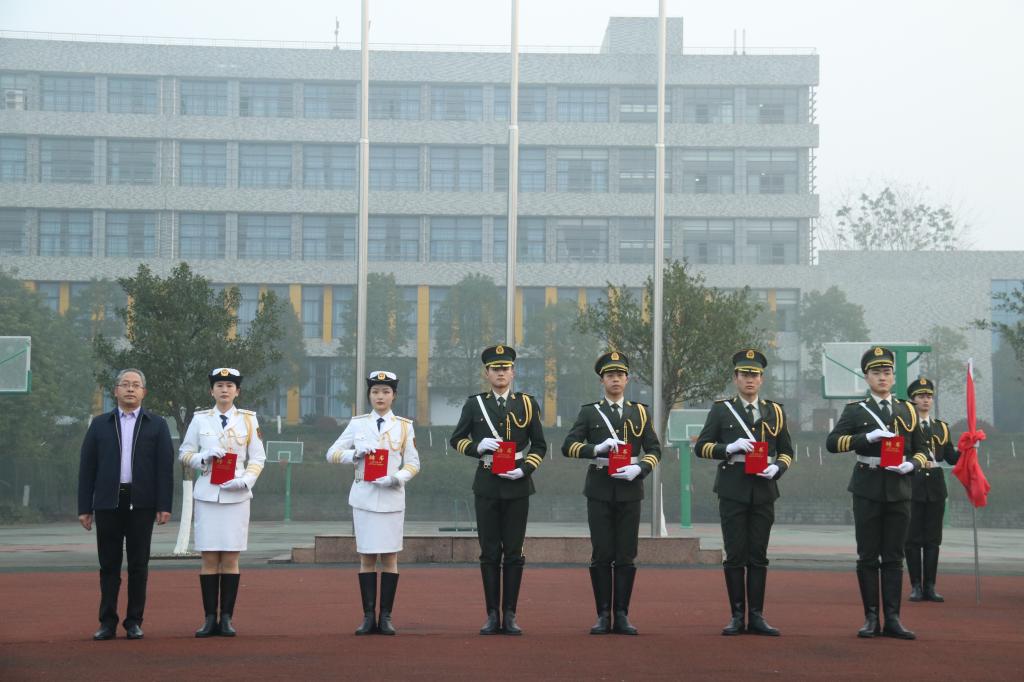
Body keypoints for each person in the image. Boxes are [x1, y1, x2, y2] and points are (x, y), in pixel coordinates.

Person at [826, 347, 929, 640]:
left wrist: (912, 464)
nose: (882, 377)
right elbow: (832, 443)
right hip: (868, 486)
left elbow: (923, 449)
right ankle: (871, 617)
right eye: (876, 372)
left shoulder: (908, 409)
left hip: (899, 487)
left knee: (894, 556)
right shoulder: (855, 410)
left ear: (893, 376)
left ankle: (893, 618)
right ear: (866, 377)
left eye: (886, 372)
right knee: (868, 555)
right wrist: (866, 437)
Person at [693, 349, 794, 637]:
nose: (750, 379)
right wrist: (728, 448)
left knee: (758, 555)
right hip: (733, 488)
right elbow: (701, 447)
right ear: (736, 378)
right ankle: (737, 615)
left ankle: (757, 616)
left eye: (755, 375)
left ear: (762, 379)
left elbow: (787, 451)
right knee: (735, 554)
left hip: (764, 488)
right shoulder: (721, 410)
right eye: (745, 374)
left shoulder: (775, 411)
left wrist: (778, 468)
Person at [561, 351, 661, 636]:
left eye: (619, 375)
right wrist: (595, 449)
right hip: (600, 487)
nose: (615, 379)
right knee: (602, 553)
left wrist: (640, 468)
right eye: (609, 375)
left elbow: (654, 449)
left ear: (627, 379)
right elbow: (568, 446)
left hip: (630, 487)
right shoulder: (589, 412)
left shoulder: (640, 412)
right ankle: (603, 615)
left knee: (626, 554)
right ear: (602, 380)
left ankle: (622, 615)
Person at [449, 345, 546, 635]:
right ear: (487, 373)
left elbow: (539, 445)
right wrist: (477, 447)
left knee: (514, 552)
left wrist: (526, 468)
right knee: (490, 552)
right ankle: (492, 615)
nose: (501, 373)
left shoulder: (527, 404)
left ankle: (510, 614)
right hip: (488, 483)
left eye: (505, 368)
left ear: (513, 372)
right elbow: (456, 439)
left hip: (517, 483)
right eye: (495, 369)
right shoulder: (475, 404)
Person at [77, 368, 174, 641]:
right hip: (108, 502)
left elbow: (164, 469)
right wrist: (84, 507)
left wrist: (164, 504)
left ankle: (134, 621)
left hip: (141, 503)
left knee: (138, 566)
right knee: (109, 565)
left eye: (136, 385)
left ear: (144, 392)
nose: (130, 389)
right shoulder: (100, 424)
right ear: (116, 390)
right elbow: (87, 468)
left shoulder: (157, 424)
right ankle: (107, 622)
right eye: (125, 384)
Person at [326, 370, 420, 635]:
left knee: (390, 557)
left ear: (394, 395)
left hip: (391, 498)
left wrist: (396, 478)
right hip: (364, 497)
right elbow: (331, 454)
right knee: (367, 557)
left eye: (386, 392)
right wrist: (354, 454)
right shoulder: (358, 424)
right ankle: (368, 616)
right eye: (376, 391)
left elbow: (413, 463)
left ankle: (386, 617)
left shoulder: (404, 426)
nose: (380, 396)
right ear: (369, 395)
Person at [178, 368, 266, 637]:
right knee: (208, 557)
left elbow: (258, 458)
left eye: (229, 386)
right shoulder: (200, 420)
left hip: (236, 495)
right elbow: (184, 453)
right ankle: (209, 618)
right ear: (211, 391)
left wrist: (246, 480)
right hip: (207, 494)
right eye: (219, 385)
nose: (224, 390)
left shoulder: (248, 420)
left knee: (230, 557)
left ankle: (226, 618)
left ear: (237, 391)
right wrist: (202, 457)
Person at [905, 377, 960, 603]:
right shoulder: (905, 426)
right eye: (921, 396)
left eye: (928, 396)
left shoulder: (941, 427)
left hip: (936, 487)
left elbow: (951, 458)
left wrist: (968, 448)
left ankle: (930, 586)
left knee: (933, 539)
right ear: (912, 400)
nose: (925, 400)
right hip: (912, 484)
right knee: (912, 539)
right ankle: (916, 586)